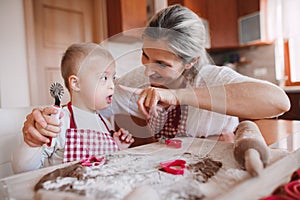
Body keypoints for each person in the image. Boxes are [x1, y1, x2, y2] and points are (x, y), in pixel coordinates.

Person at [21, 5, 290, 152]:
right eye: (145, 55)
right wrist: (46, 120)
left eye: (161, 62)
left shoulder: (213, 77)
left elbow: (279, 102)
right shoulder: (138, 80)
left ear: (192, 61)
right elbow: (85, 105)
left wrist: (176, 96)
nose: (148, 69)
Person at [13, 43, 134, 173]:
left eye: (113, 78)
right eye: (104, 78)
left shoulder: (104, 122)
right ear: (76, 84)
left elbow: (105, 164)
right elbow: (22, 169)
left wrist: (116, 147)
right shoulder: (59, 122)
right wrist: (34, 143)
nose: (112, 85)